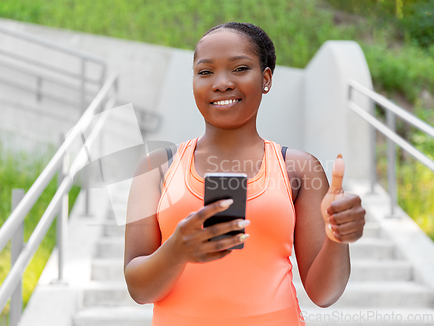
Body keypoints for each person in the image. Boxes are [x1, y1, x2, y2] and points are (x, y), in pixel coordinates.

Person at [124, 22, 366, 326]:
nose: (221, 83)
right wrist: (177, 250)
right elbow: (138, 289)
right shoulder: (155, 167)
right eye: (205, 72)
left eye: (239, 68)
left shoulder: (300, 168)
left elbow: (324, 294)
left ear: (265, 79)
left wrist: (336, 236)